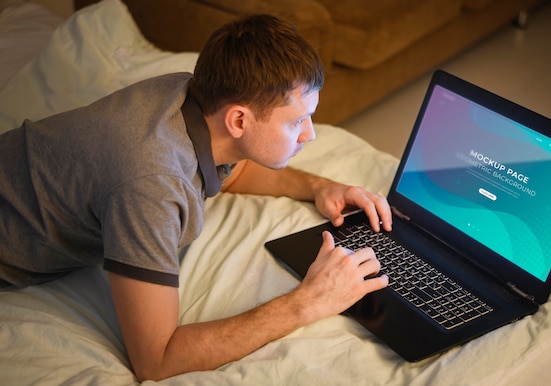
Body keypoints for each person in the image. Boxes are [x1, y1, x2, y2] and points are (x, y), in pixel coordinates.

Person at [0, 14, 392, 381]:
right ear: (238, 120)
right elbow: (157, 359)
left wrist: (320, 187)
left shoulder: (188, 96)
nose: (310, 135)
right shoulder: (152, 183)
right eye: (295, 122)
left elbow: (234, 166)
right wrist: (308, 301)